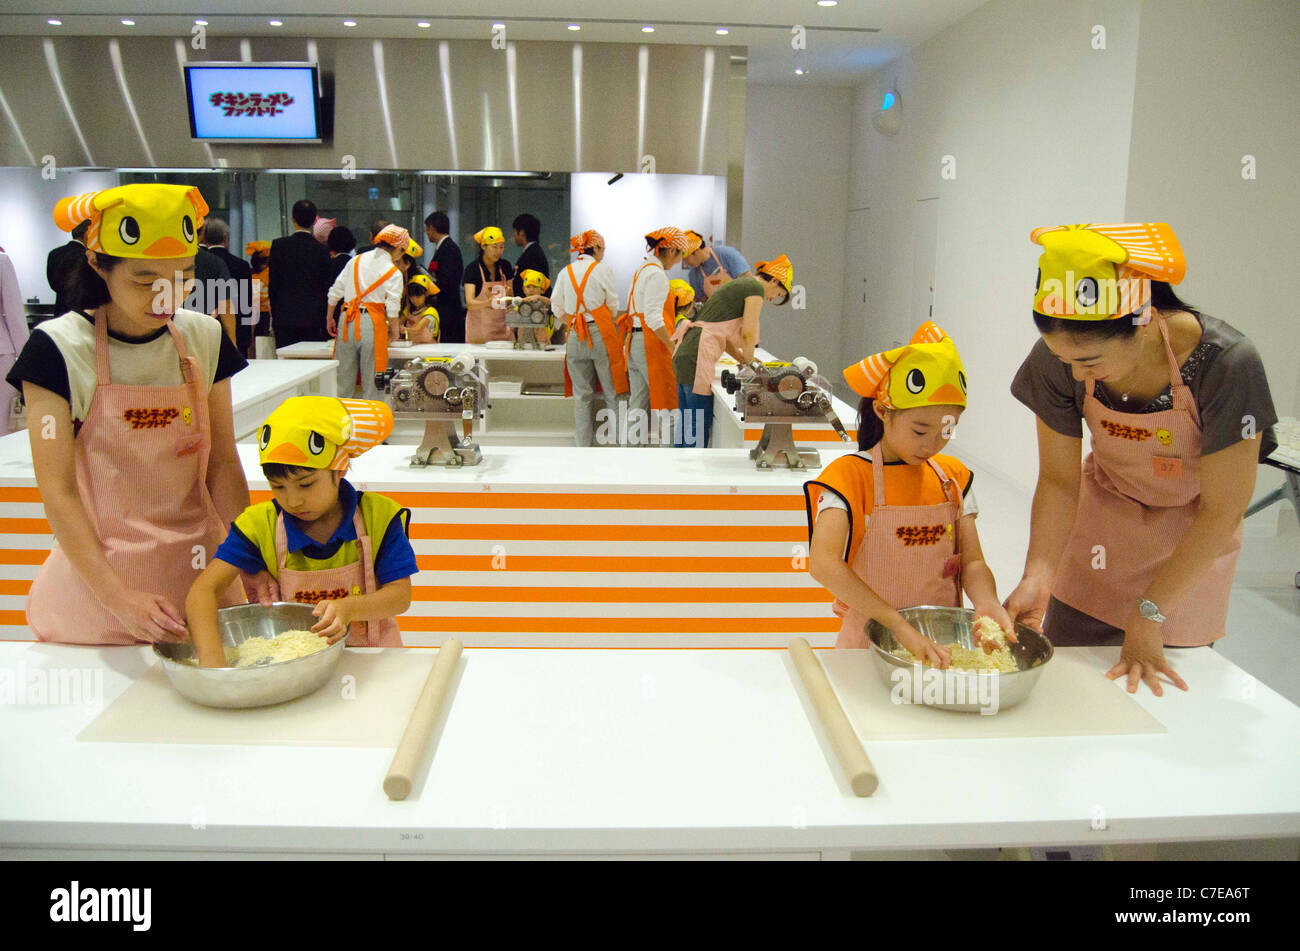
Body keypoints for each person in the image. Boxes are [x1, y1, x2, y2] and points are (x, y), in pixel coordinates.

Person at [1006, 222, 1277, 695]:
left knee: (1163, 706)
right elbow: (1058, 482)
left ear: (1145, 319)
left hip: (1191, 546)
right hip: (1101, 538)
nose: (1072, 372)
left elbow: (1222, 510)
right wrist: (1038, 575)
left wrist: (1151, 612)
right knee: (1072, 695)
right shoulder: (1061, 358)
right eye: (1061, 358)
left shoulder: (1227, 365)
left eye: (1088, 363)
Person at [5, 184, 255, 644]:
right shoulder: (57, 349)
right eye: (144, 281)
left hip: (201, 572)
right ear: (98, 264)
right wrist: (119, 597)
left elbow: (222, 463)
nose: (167, 296)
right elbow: (58, 492)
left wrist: (255, 560)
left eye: (183, 277)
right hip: (100, 583)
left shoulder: (204, 337)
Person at [804, 321, 1012, 660]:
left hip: (943, 647)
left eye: (946, 431)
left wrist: (986, 601)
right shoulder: (848, 478)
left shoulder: (953, 478)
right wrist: (896, 625)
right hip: (868, 645)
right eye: (919, 430)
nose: (932, 445)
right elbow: (823, 564)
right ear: (884, 411)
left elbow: (973, 562)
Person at [187, 396, 415, 666]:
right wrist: (214, 665)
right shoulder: (258, 526)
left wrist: (349, 608)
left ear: (339, 468)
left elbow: (400, 596)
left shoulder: (379, 517)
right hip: (293, 666)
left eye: (306, 485)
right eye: (278, 487)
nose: (293, 501)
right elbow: (202, 593)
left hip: (372, 660)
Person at [671, 254, 792, 448]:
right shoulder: (754, 289)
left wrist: (742, 358)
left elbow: (722, 335)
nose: (773, 298)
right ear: (775, 281)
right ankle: (690, 476)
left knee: (687, 421)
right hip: (698, 354)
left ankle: (678, 473)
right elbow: (748, 332)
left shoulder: (739, 285)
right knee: (697, 424)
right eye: (778, 294)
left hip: (687, 351)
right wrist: (752, 363)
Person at [552, 229, 626, 447]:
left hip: (575, 334)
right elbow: (612, 305)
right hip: (601, 332)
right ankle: (619, 444)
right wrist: (599, 318)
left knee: (582, 395)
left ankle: (582, 446)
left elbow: (557, 307)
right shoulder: (602, 270)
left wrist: (575, 321)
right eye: (602, 249)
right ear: (595, 248)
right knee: (613, 392)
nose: (603, 253)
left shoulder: (566, 272)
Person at [625, 227, 690, 446]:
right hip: (651, 343)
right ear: (671, 250)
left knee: (638, 402)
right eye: (680, 255)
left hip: (634, 341)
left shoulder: (642, 269)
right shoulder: (657, 275)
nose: (679, 261)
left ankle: (629, 454)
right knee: (668, 406)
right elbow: (653, 318)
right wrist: (673, 347)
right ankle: (668, 459)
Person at [326, 224, 406, 400]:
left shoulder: (355, 260)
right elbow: (392, 308)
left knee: (342, 379)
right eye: (403, 251)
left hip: (346, 319)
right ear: (399, 248)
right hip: (372, 322)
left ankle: (341, 422)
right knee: (373, 380)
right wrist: (394, 331)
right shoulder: (393, 272)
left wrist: (329, 316)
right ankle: (372, 423)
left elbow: (335, 291)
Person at [269, 199, 333, 348]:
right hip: (314, 318)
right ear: (314, 221)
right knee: (311, 363)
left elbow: (274, 284)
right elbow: (327, 286)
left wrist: (276, 313)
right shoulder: (322, 250)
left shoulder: (279, 246)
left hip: (284, 317)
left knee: (286, 363)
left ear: (293, 219)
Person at [202, 217, 255, 357]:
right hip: (238, 331)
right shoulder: (241, 265)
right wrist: (247, 334)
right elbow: (246, 303)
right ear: (226, 238)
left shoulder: (201, 264)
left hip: (206, 331)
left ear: (204, 238)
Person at [463, 226, 515, 344]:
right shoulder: (472, 269)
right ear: (483, 246)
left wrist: (509, 298)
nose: (498, 251)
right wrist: (488, 302)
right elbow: (470, 304)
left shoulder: (505, 266)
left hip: (504, 332)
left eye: (501, 247)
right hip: (479, 334)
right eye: (494, 247)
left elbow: (511, 298)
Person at [425, 211, 465, 343]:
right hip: (445, 308)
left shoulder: (449, 250)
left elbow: (449, 281)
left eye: (427, 230)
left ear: (432, 228)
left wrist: (430, 283)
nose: (427, 233)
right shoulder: (444, 248)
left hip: (449, 311)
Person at [681, 230, 752, 301]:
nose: (685, 263)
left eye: (684, 258)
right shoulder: (693, 274)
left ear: (696, 250)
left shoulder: (727, 254)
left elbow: (749, 281)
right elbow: (701, 301)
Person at [46, 219, 90, 314]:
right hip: (81, 310)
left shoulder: (54, 253)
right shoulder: (87, 256)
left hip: (60, 309)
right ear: (87, 234)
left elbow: (53, 284)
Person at [511, 213, 550, 298]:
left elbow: (533, 286)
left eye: (514, 231)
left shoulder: (532, 255)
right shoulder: (532, 252)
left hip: (531, 306)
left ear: (521, 233)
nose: (513, 235)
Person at [246, 240, 272, 346]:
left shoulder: (249, 273)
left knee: (255, 345)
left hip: (260, 314)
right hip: (261, 314)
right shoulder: (270, 273)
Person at [401, 274, 440, 344]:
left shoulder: (431, 311)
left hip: (429, 348)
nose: (414, 300)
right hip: (412, 346)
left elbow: (418, 329)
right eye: (411, 296)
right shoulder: (408, 309)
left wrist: (405, 329)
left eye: (418, 296)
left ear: (426, 294)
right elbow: (399, 322)